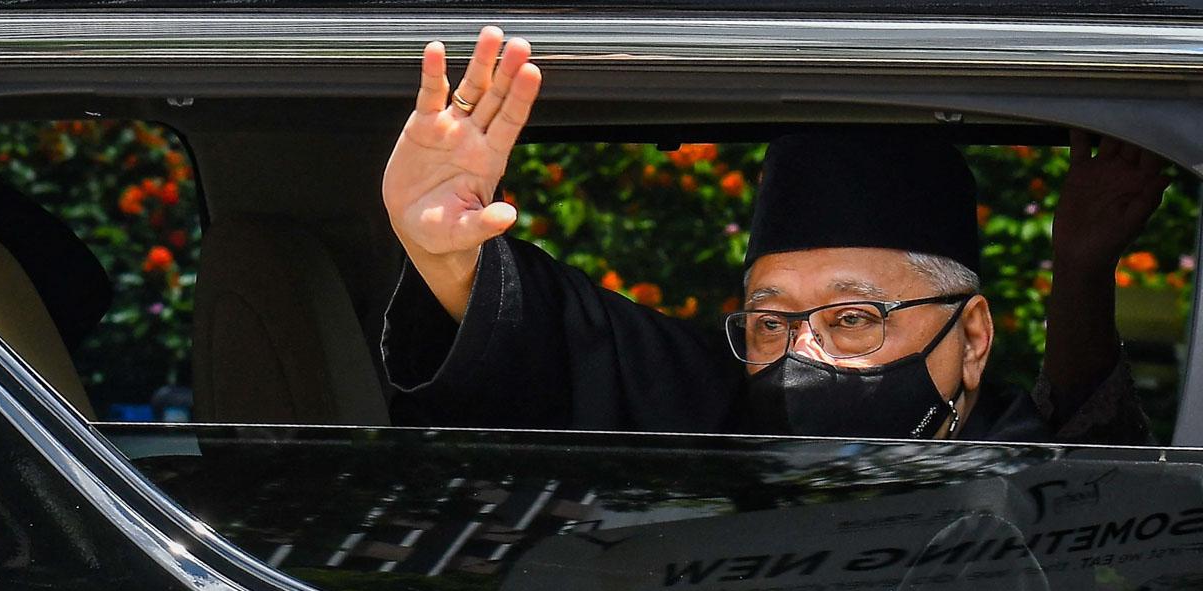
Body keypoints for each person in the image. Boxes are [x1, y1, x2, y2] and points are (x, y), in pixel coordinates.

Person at [380, 27, 1168, 443]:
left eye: (854, 320)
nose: (800, 360)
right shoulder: (718, 402)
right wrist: (447, 252)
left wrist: (1081, 265)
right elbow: (562, 339)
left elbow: (1100, 448)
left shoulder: (1035, 469)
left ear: (971, 340)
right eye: (770, 320)